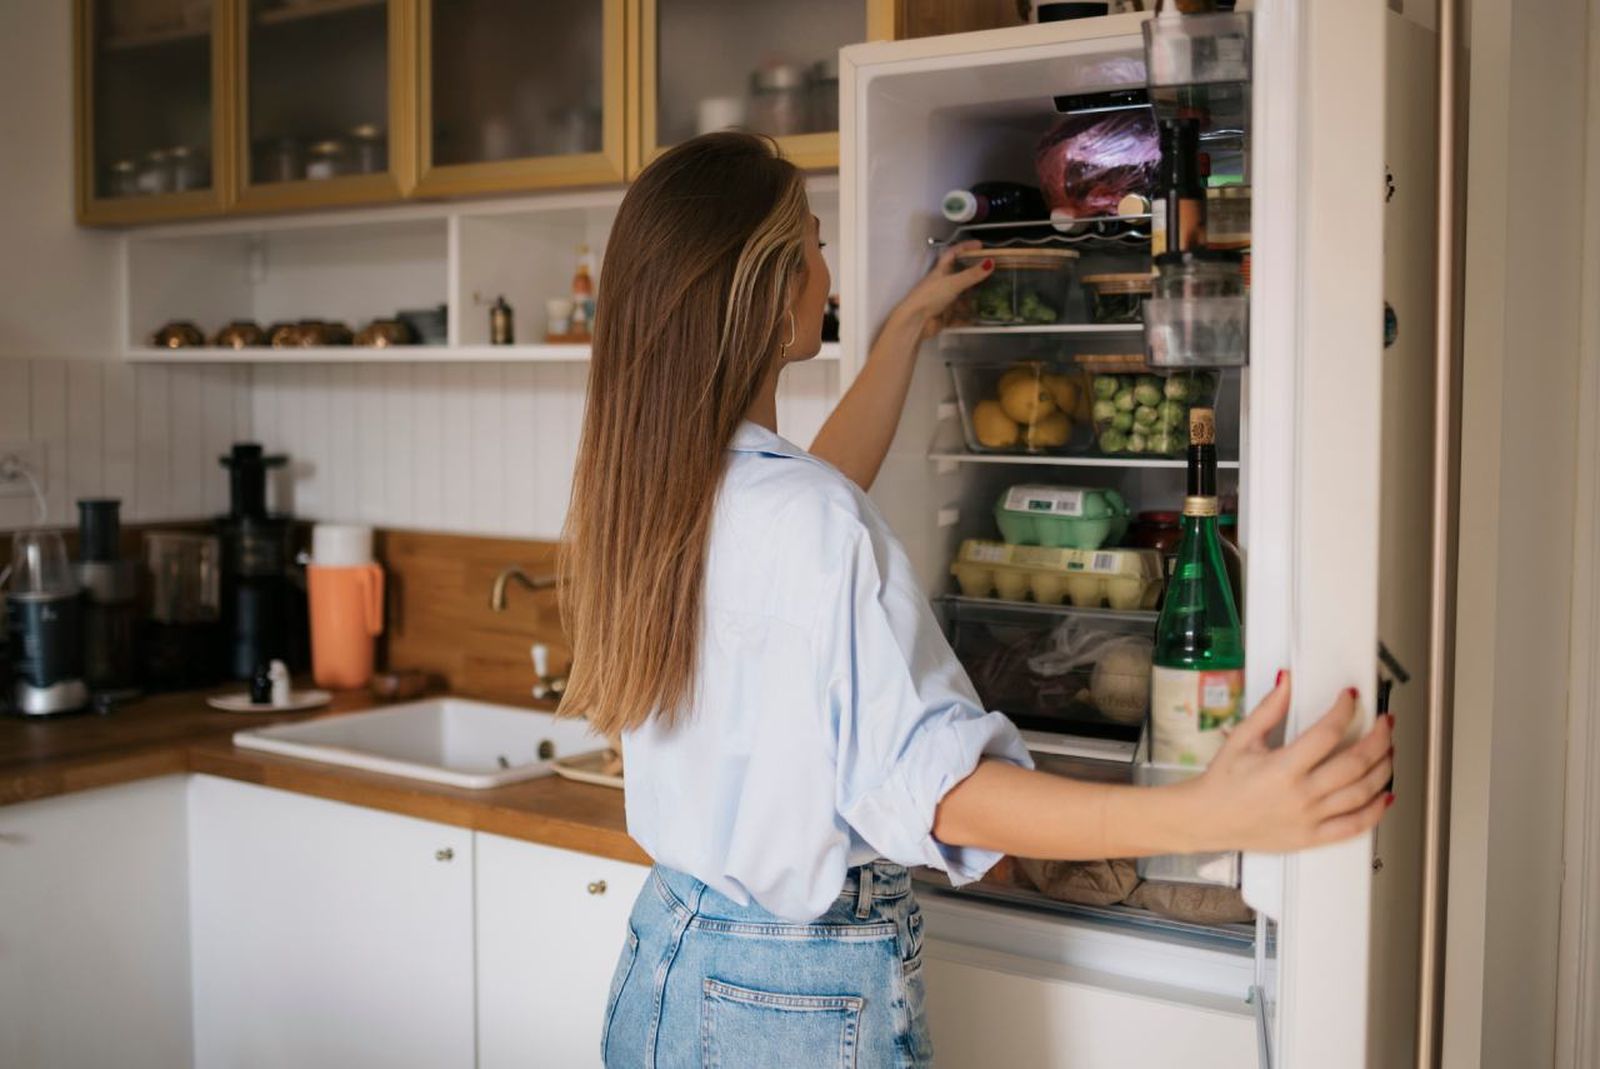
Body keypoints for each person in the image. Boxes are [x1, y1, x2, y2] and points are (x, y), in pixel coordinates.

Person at [559, 132, 1393, 1069]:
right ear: (771, 284)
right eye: (816, 241)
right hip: (789, 1004)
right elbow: (940, 793)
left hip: (669, 956)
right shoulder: (806, 518)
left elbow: (808, 514)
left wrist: (909, 327)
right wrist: (1208, 814)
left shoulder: (651, 491)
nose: (828, 269)